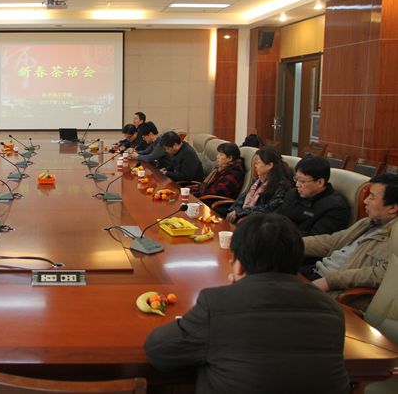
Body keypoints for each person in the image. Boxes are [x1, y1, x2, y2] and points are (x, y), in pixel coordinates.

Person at [144, 214, 350, 394]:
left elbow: (159, 351)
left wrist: (233, 295)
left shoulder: (217, 305)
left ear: (239, 266)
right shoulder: (332, 309)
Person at [301, 173, 398, 307]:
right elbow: (331, 241)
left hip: (333, 290)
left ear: (393, 208)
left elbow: (380, 274)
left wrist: (329, 281)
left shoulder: (393, 238)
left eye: (372, 197)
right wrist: (292, 242)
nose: (365, 201)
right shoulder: (367, 222)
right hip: (316, 271)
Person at [277, 155, 350, 236]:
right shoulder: (292, 194)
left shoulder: (335, 208)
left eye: (302, 181)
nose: (297, 185)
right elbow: (278, 219)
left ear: (320, 182)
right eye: (296, 179)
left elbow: (316, 238)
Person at [226, 147, 292, 224]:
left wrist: (240, 212)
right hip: (246, 214)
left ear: (270, 165)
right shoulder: (259, 180)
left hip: (261, 222)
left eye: (258, 163)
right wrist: (234, 210)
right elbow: (242, 198)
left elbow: (268, 208)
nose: (255, 166)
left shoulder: (281, 185)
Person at [190, 142, 245, 213]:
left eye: (221, 155)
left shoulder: (234, 173)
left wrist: (194, 193)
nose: (217, 157)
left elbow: (217, 192)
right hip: (207, 199)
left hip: (217, 204)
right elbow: (206, 186)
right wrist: (191, 190)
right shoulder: (220, 168)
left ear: (230, 158)